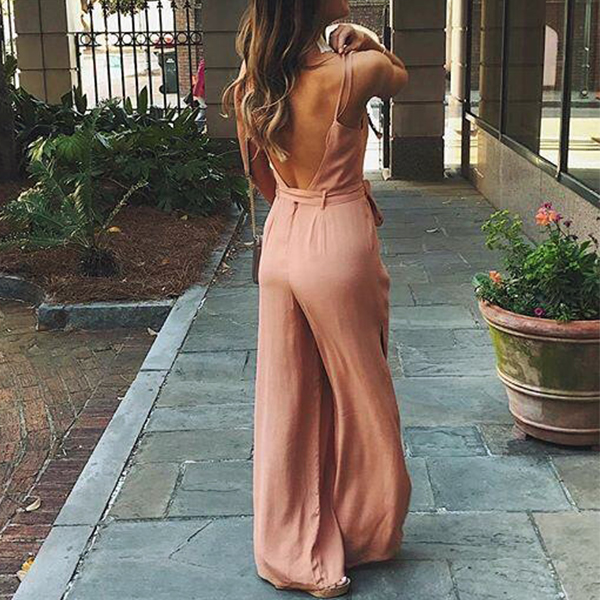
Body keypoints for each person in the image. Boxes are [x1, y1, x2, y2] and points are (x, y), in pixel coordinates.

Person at [222, 1, 411, 597]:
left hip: (283, 236)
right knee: (363, 395)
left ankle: (291, 550)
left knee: (288, 399)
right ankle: (364, 533)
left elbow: (260, 176)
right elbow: (400, 75)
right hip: (338, 239)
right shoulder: (353, 72)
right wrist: (366, 36)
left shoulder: (253, 85)